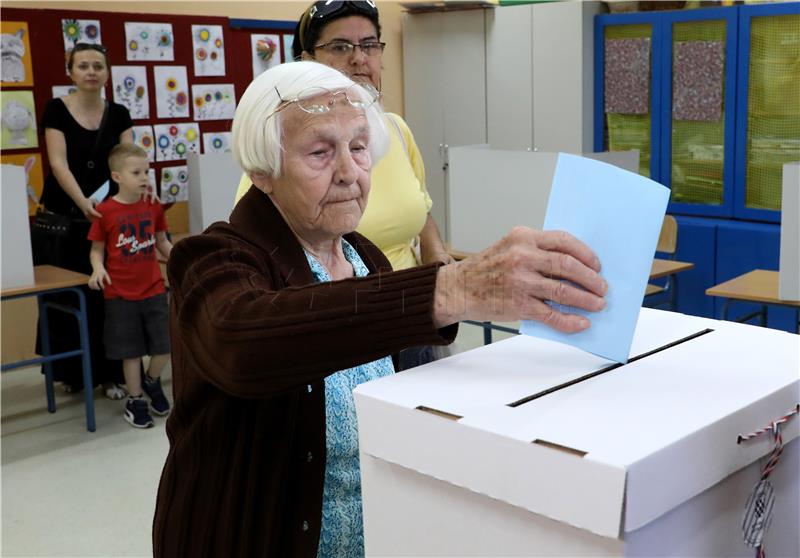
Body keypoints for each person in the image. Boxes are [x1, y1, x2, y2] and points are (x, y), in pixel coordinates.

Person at [153, 61, 607, 558]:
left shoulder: (361, 255)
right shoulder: (210, 258)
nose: (349, 173)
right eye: (320, 152)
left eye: (359, 147)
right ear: (264, 172)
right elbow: (242, 339)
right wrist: (452, 287)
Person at [234, 0, 451, 370]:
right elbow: (256, 264)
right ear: (305, 61)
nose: (358, 59)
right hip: (336, 328)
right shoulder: (277, 156)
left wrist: (438, 260)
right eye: (339, 47)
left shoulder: (396, 131)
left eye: (369, 45)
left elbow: (422, 207)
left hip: (417, 317)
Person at [38, 42, 133, 397]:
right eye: (83, 66)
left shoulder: (120, 113)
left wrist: (137, 191)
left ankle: (111, 374)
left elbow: (128, 159)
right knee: (68, 298)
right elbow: (57, 162)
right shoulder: (56, 110)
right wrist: (82, 203)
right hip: (66, 218)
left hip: (109, 219)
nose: (91, 72)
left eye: (98, 66)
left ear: (108, 73)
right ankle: (73, 374)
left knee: (107, 298)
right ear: (71, 72)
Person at [87, 144, 172, 428]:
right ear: (117, 176)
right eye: (136, 172)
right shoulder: (106, 211)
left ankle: (152, 380)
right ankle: (135, 400)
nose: (144, 177)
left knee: (165, 345)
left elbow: (162, 241)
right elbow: (97, 250)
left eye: (146, 171)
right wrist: (97, 268)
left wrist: (182, 260)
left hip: (154, 290)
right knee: (131, 352)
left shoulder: (153, 206)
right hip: (120, 295)